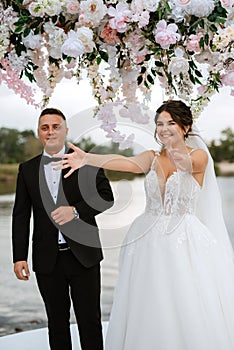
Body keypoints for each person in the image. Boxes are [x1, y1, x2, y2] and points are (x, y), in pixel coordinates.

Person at [53, 100, 234, 350]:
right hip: (147, 240)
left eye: (171, 123)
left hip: (184, 238)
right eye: (160, 124)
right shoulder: (151, 157)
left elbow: (189, 166)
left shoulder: (199, 156)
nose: (164, 128)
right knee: (148, 300)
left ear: (186, 127)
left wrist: (175, 151)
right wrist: (87, 159)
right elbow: (125, 162)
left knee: (186, 297)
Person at [12, 108, 114, 350]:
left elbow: (106, 197)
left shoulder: (85, 161)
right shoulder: (26, 170)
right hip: (47, 260)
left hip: (84, 256)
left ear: (66, 130)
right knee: (56, 324)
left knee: (90, 322)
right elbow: (21, 215)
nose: (50, 131)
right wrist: (19, 257)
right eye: (45, 127)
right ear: (39, 133)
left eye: (56, 126)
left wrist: (75, 211)